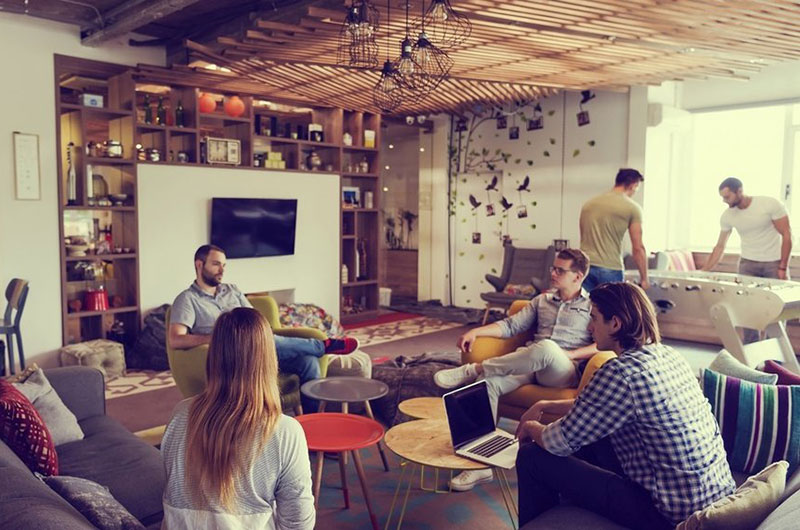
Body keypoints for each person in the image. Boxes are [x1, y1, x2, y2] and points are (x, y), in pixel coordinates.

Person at [515, 282, 735, 529]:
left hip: (666, 516)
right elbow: (597, 407)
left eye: (594, 318)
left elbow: (555, 442)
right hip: (711, 500)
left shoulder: (620, 372)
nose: (589, 327)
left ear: (615, 324)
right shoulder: (669, 355)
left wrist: (531, 426)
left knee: (532, 456)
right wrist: (546, 405)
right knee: (591, 435)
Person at [433, 248, 598, 491]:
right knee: (486, 384)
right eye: (553, 268)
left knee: (546, 348)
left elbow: (601, 343)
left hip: (562, 371)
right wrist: (476, 331)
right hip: (530, 364)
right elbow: (510, 325)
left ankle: (475, 368)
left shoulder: (592, 305)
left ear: (578, 276)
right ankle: (479, 465)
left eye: (560, 270)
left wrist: (572, 354)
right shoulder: (541, 301)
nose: (552, 273)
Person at [161, 307, 315, 529]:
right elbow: (299, 523)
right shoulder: (285, 432)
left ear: (214, 355)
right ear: (268, 359)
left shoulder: (179, 415)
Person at [169, 245, 359, 400]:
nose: (222, 270)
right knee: (266, 340)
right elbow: (176, 339)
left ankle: (312, 420)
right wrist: (214, 338)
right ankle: (322, 346)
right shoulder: (187, 299)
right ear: (199, 264)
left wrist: (261, 331)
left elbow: (254, 317)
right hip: (230, 353)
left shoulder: (232, 290)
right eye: (216, 264)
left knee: (308, 363)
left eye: (224, 265)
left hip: (256, 344)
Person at [702, 177, 793, 343]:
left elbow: (787, 235)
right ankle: (751, 348)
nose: (724, 201)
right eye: (722, 197)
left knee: (776, 308)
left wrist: (783, 267)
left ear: (739, 191)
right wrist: (704, 271)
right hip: (747, 264)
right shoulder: (728, 216)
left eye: (727, 197)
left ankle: (775, 352)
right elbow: (720, 246)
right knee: (746, 308)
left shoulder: (769, 204)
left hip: (774, 263)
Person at [579, 168, 650, 291]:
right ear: (633, 185)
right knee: (612, 304)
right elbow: (638, 248)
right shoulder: (632, 208)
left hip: (584, 266)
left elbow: (583, 235)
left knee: (585, 303)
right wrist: (644, 279)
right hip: (610, 268)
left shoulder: (589, 204)